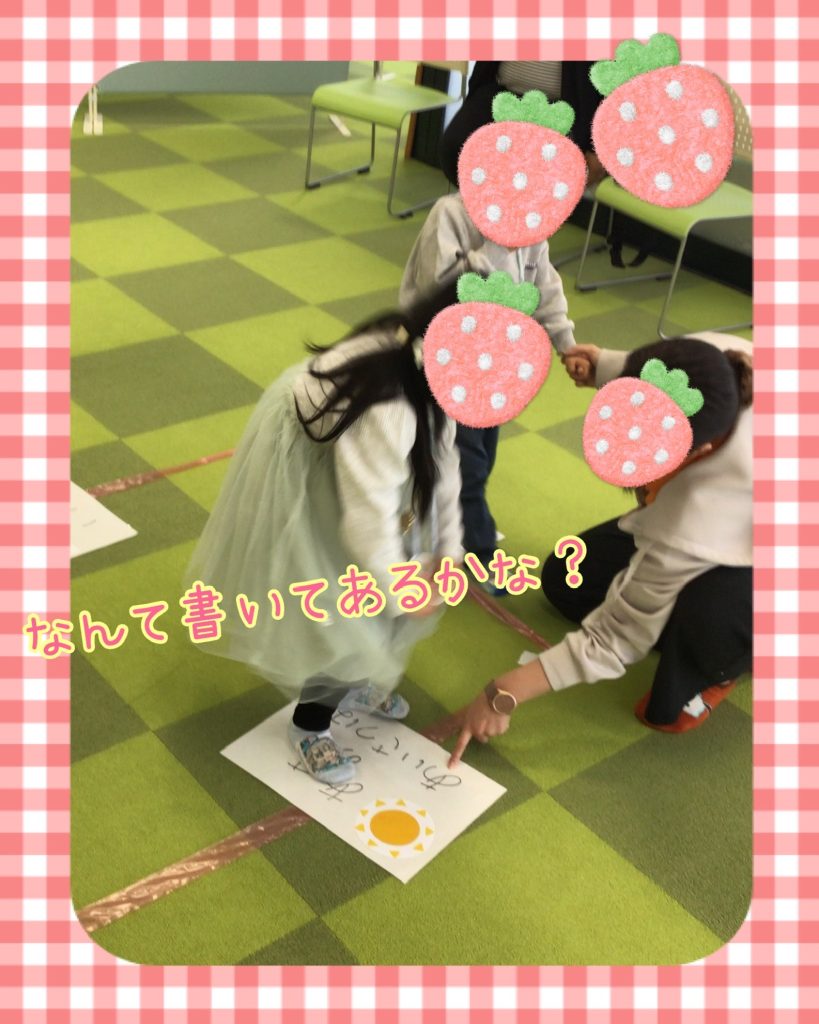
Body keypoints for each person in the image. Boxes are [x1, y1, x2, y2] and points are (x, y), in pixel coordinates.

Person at [186, 283, 465, 784]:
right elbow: (366, 524)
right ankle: (310, 726)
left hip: (365, 451)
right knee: (345, 605)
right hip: (315, 460)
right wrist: (401, 590)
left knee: (400, 572)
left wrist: (449, 551)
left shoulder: (440, 382)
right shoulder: (390, 408)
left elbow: (444, 466)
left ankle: (360, 673)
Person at [448, 332, 753, 767]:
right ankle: (674, 603)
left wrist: (506, 691)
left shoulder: (699, 510)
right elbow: (653, 366)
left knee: (694, 646)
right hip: (708, 513)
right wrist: (603, 364)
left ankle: (728, 660)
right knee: (566, 578)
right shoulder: (710, 363)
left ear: (697, 452)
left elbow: (615, 638)